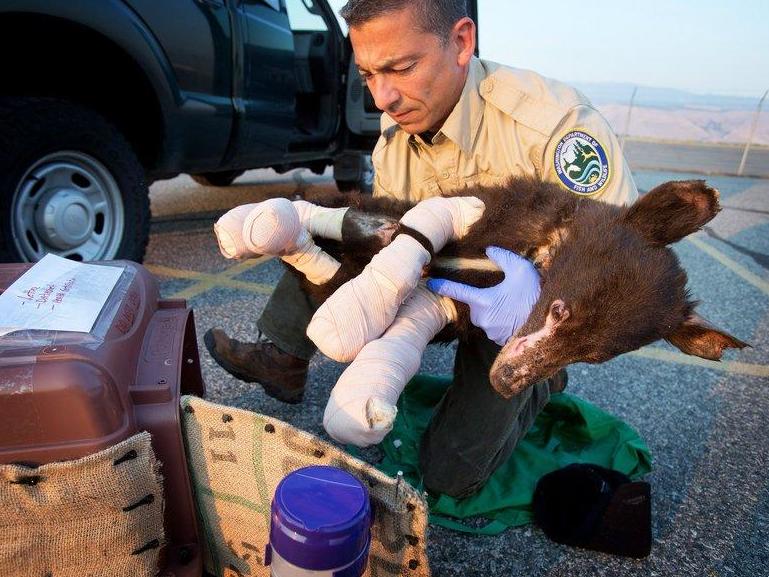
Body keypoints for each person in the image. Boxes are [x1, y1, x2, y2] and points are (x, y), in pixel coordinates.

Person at [205, 0, 638, 499]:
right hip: (438, 291)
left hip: (520, 316)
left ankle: (543, 379)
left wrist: (537, 312)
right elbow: (385, 250)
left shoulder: (555, 126)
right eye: (368, 74)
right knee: (334, 228)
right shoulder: (395, 139)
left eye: (401, 68)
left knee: (449, 477)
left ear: (461, 42)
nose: (382, 98)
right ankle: (284, 357)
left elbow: (618, 265)